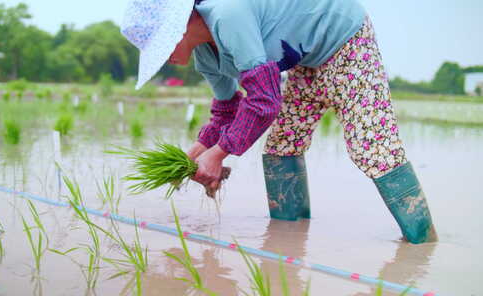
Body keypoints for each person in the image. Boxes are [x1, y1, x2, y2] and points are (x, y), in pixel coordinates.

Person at [120, 0, 437, 244]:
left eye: (160, 47)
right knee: (282, 148)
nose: (163, 59)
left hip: (345, 40)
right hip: (305, 60)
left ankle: (422, 242)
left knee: (372, 148)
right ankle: (289, 243)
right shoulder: (205, 55)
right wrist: (194, 156)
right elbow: (226, 112)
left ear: (180, 26)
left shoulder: (228, 15)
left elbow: (263, 102)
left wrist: (217, 156)